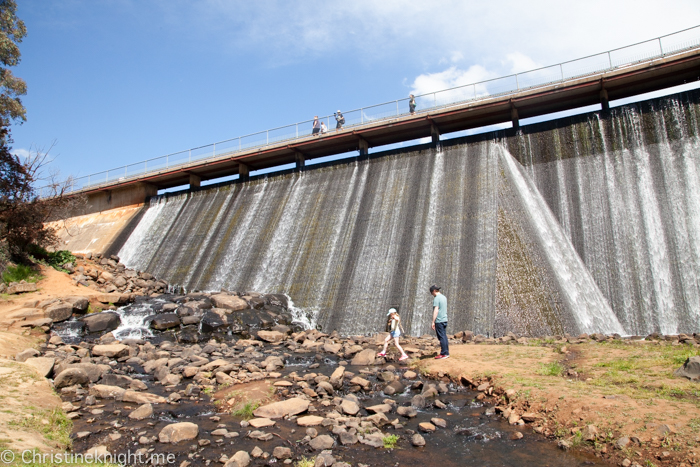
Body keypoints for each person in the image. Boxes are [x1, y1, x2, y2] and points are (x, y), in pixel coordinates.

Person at [430, 285, 449, 359]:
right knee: (444, 336)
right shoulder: (444, 297)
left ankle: (444, 353)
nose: (432, 294)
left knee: (441, 337)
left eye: (432, 293)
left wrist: (433, 321)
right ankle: (446, 352)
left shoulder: (436, 298)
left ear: (434, 291)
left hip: (439, 320)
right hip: (444, 319)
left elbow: (436, 310)